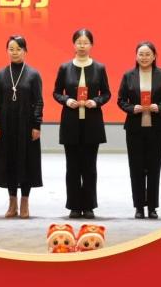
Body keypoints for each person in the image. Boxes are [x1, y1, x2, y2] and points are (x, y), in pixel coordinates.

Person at [53, 28, 111, 220]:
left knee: (89, 167)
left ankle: (89, 206)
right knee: (72, 167)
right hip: (70, 122)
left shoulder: (99, 68)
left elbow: (106, 93)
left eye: (86, 43)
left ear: (91, 45)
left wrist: (96, 101)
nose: (82, 46)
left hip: (92, 123)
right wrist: (67, 100)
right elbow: (56, 92)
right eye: (79, 42)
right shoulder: (65, 67)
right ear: (74, 44)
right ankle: (74, 206)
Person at [116, 41, 161, 219]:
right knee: (136, 168)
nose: (144, 57)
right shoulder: (128, 75)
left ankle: (153, 207)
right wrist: (132, 108)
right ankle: (139, 206)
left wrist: (160, 107)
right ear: (136, 56)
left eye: (148, 54)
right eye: (141, 54)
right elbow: (121, 100)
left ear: (154, 56)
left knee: (154, 168)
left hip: (157, 128)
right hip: (134, 128)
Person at [0, 35, 43, 219]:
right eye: (11, 49)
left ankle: (25, 202)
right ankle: (12, 202)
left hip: (27, 126)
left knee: (27, 162)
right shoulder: (0, 74)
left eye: (18, 49)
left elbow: (39, 101)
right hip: (6, 125)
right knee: (9, 161)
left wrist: (36, 124)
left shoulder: (33, 74)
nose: (14, 52)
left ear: (25, 51)